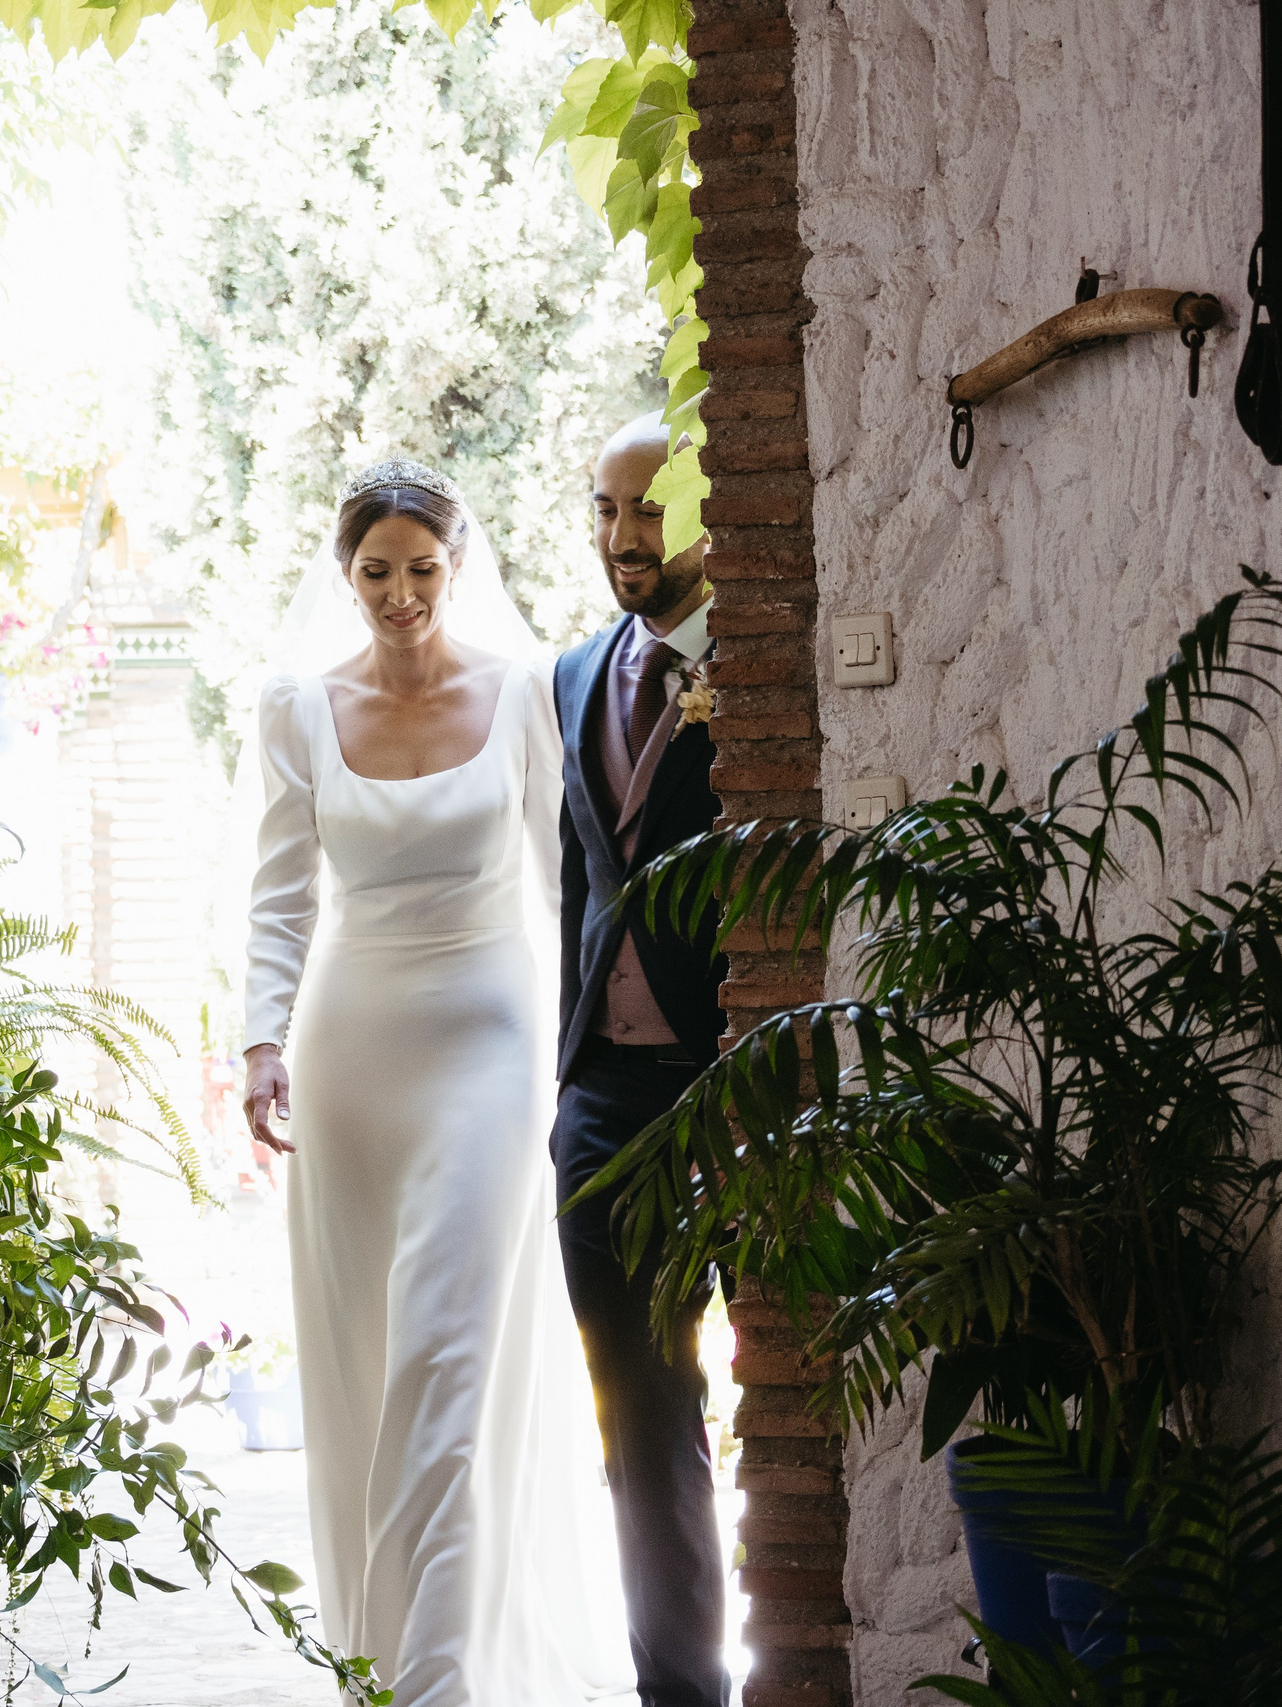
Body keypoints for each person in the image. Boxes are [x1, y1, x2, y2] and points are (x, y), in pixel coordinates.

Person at [239, 460, 631, 1706]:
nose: (399, 596)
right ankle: (380, 1650)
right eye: (374, 573)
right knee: (368, 1353)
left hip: (491, 1041)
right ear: (342, 573)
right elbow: (280, 897)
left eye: (420, 570)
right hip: (353, 1048)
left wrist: (582, 1046)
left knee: (447, 1350)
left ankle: (440, 1679)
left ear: (455, 566)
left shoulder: (523, 694)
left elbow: (563, 885)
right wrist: (259, 1043)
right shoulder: (297, 707)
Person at [550, 414, 729, 1707]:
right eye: (609, 507)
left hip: (727, 1082)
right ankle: (680, 1687)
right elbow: (576, 881)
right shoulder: (571, 675)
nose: (626, 536)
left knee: (765, 1389)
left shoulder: (761, 660)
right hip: (602, 1100)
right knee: (639, 1417)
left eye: (650, 509)